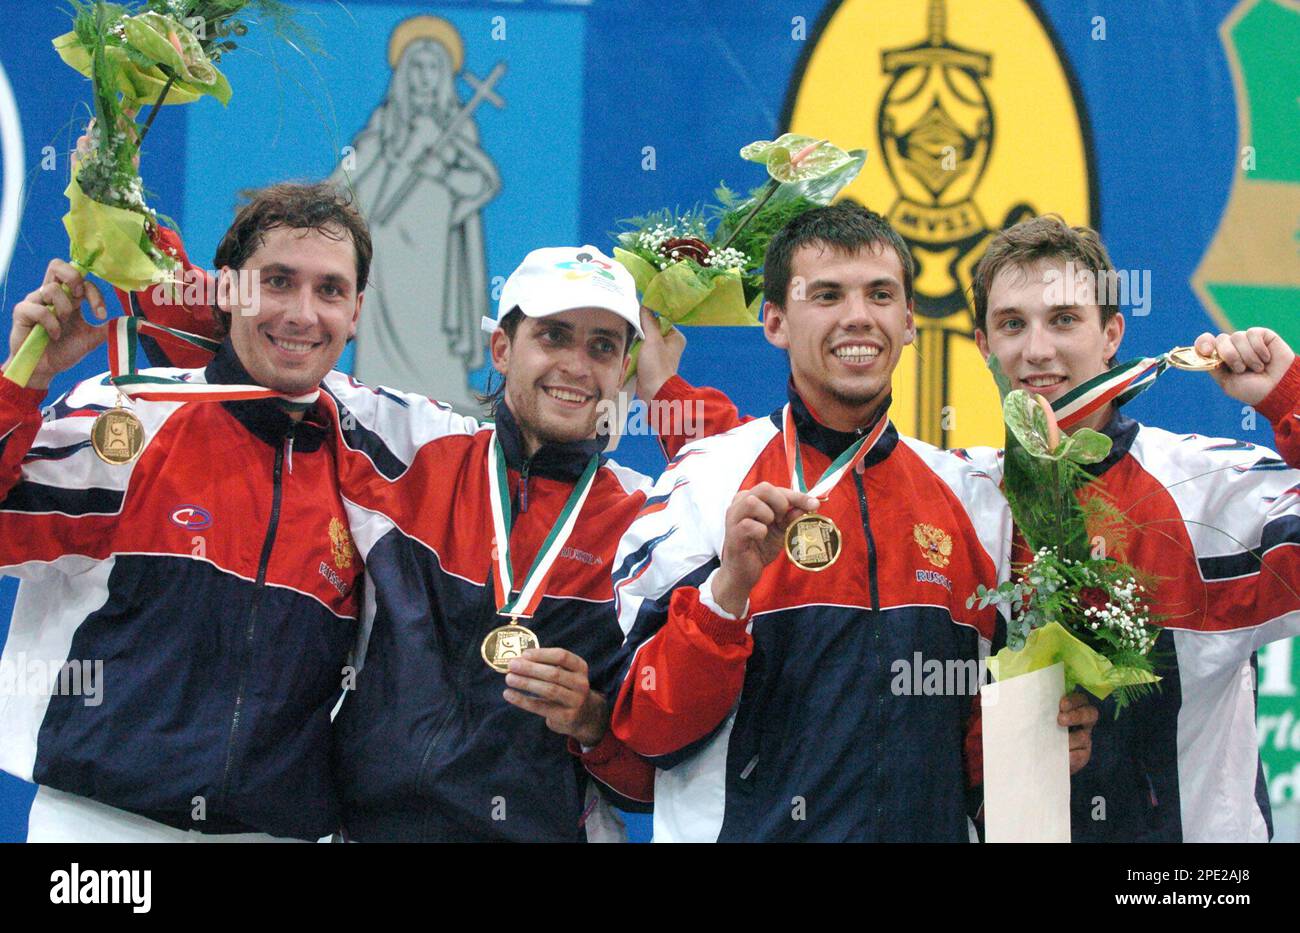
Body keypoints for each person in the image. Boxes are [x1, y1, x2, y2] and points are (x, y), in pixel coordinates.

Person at [604, 202, 1097, 842]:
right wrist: (726, 595)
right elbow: (645, 732)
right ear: (775, 321)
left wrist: (1037, 740)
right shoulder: (702, 485)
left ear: (911, 321)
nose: (858, 317)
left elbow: (972, 766)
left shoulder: (974, 500)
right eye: (828, 294)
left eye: (881, 295)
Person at [0, 183, 372, 841]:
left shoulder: (371, 462)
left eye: (330, 290)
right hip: (103, 827)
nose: (302, 313)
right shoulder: (131, 414)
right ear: (226, 290)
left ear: (358, 310)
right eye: (277, 281)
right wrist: (22, 378)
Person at [326, 245, 734, 841]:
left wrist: (593, 720)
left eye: (603, 347)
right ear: (501, 349)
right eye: (554, 336)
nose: (576, 365)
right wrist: (140, 245)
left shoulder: (644, 519)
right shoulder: (415, 451)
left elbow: (759, 485)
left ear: (623, 370)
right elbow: (274, 355)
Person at [968, 214, 1300, 842]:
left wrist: (1287, 397)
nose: (1037, 350)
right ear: (984, 346)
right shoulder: (963, 497)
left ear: (1112, 334)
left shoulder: (1207, 486)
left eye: (1064, 319)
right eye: (1012, 324)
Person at [329, 13, 500, 409]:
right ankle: (377, 388)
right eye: (417, 67)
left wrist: (439, 167)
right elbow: (351, 173)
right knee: (386, 308)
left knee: (429, 314)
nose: (424, 76)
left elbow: (482, 181)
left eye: (433, 68)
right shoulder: (386, 121)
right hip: (387, 237)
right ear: (404, 72)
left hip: (436, 239)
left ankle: (437, 394)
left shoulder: (457, 127)